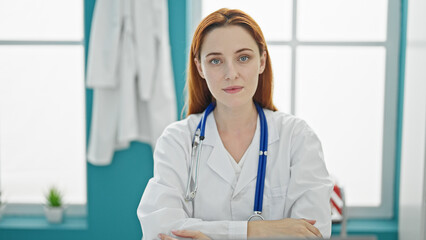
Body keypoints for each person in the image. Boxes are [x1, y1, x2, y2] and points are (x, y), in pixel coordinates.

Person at [137, 8, 333, 240]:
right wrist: (257, 230)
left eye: (243, 58)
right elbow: (159, 230)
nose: (231, 73)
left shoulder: (297, 138)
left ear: (261, 62)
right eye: (216, 60)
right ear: (200, 67)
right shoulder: (177, 140)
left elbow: (311, 234)